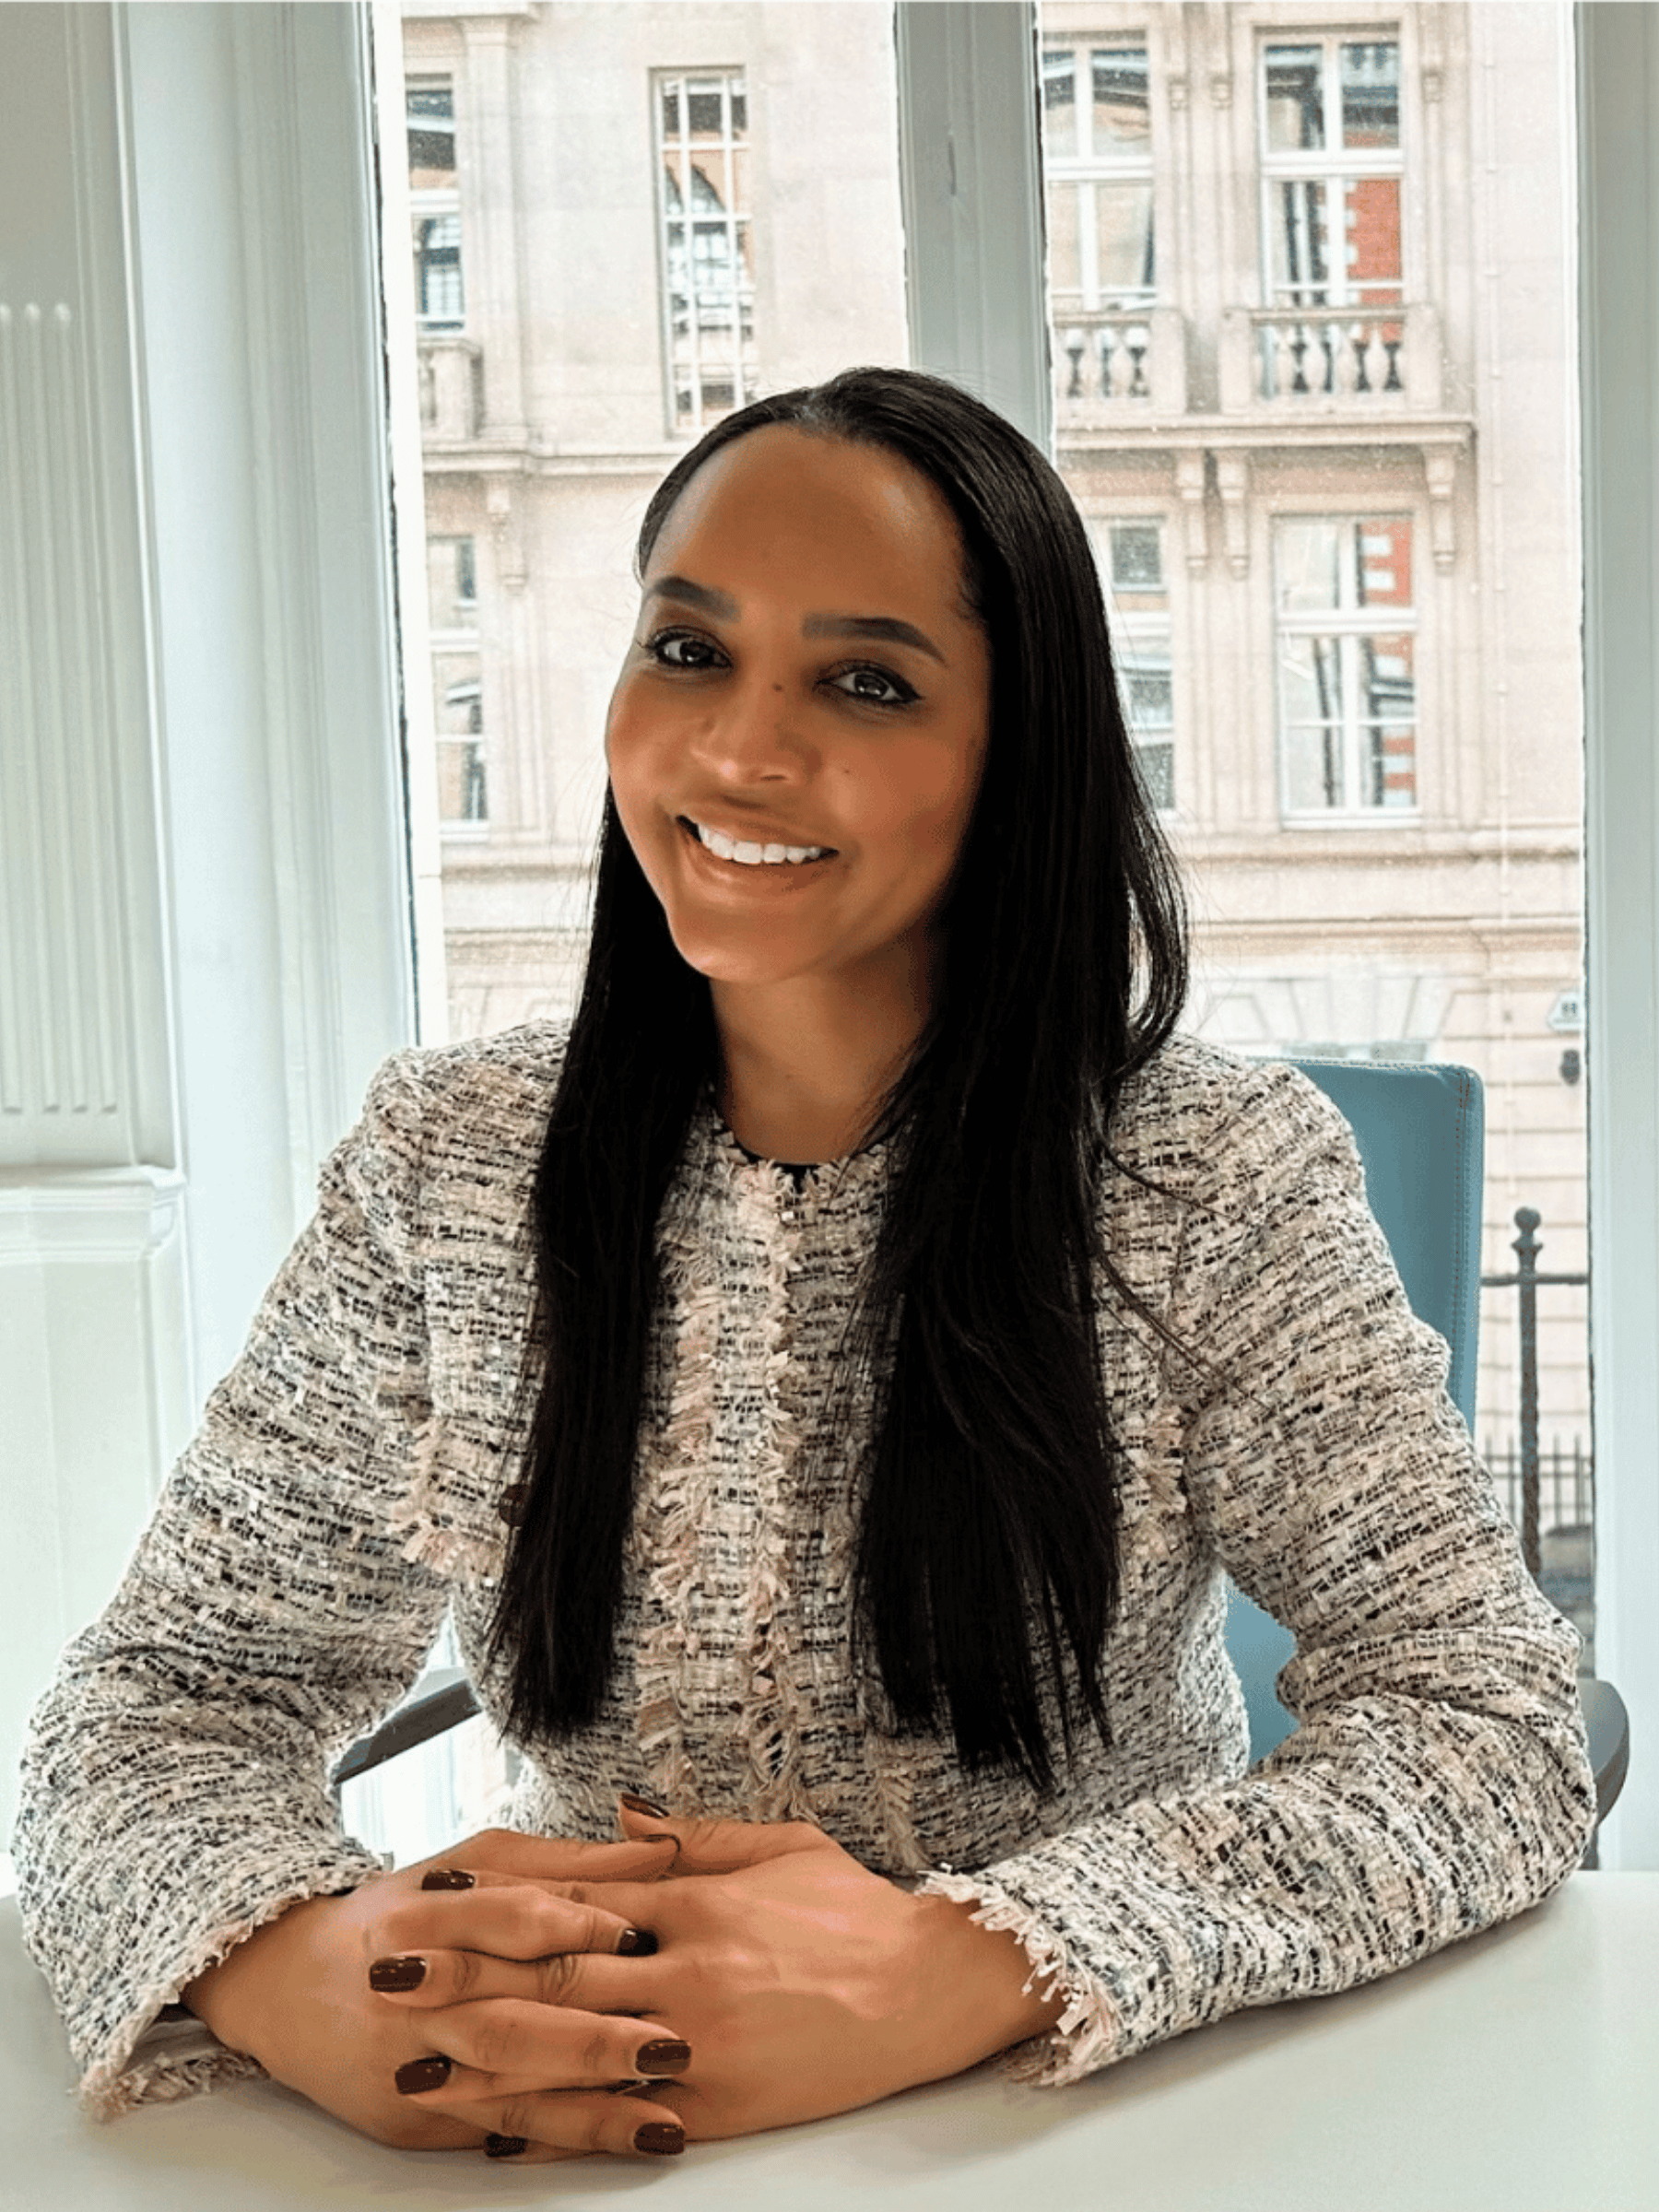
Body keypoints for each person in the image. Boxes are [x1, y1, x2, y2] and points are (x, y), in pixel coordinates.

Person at [13, 366, 1595, 2167]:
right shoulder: (451, 1164)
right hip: (581, 2127)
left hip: (1081, 2129)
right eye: (688, 651)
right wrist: (297, 1962)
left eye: (866, 682)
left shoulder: (1205, 1177)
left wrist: (974, 1959)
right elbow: (156, 1708)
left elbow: (1489, 1721)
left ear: (1024, 751)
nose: (740, 752)